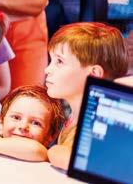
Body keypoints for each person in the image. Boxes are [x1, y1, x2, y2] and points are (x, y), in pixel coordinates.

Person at [45, 22, 128, 170]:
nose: (47, 70)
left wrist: (51, 151)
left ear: (93, 74)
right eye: (51, 60)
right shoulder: (73, 116)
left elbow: (88, 162)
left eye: (59, 61)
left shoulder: (98, 127)